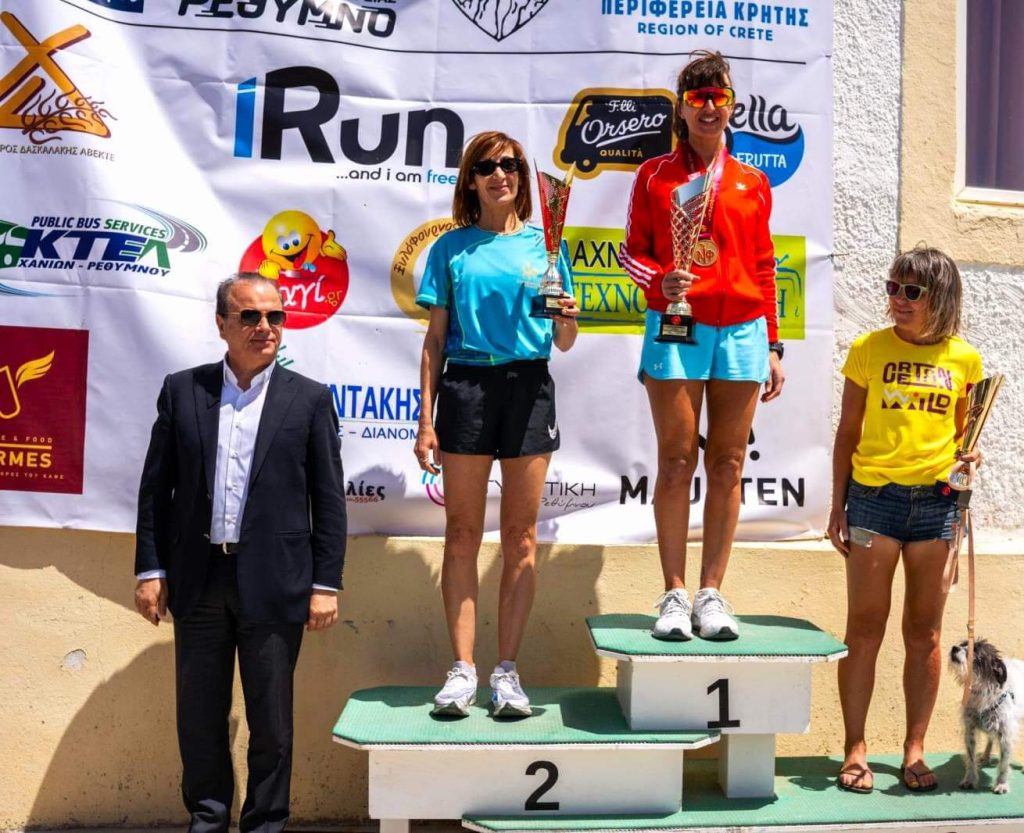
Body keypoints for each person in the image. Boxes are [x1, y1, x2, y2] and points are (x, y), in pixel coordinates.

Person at [134, 272, 346, 833]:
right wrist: (151, 570)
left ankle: (265, 824)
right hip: (198, 581)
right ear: (222, 324)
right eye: (250, 316)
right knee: (199, 718)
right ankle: (207, 820)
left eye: (275, 316)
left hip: (276, 583)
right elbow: (156, 490)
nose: (265, 327)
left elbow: (327, 500)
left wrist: (326, 584)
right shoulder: (183, 390)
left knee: (271, 723)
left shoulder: (309, 399)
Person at [413, 130, 579, 717]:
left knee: (521, 540)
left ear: (522, 178)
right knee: (461, 535)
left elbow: (564, 339)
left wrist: (567, 316)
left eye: (509, 164)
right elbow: (434, 341)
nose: (499, 174)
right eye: (485, 166)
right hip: (467, 387)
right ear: (471, 180)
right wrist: (426, 419)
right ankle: (462, 671)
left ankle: (507, 672)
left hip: (529, 387)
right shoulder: (450, 248)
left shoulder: (546, 245)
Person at [620, 50, 784, 642]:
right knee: (675, 460)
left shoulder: (752, 182)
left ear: (731, 105)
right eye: (698, 98)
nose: (710, 107)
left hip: (742, 328)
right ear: (683, 109)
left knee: (729, 463)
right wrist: (659, 280)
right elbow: (630, 252)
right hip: (675, 324)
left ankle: (711, 594)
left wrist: (774, 343)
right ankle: (673, 592)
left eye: (720, 97)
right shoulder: (655, 175)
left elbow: (764, 265)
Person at [828, 247, 983, 794]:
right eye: (893, 287)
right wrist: (837, 505)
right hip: (874, 500)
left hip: (937, 506)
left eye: (911, 291)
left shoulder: (965, 360)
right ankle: (855, 747)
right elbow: (847, 433)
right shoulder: (868, 349)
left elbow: (963, 438)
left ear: (939, 297)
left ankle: (914, 749)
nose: (898, 299)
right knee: (864, 629)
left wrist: (970, 459)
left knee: (925, 633)